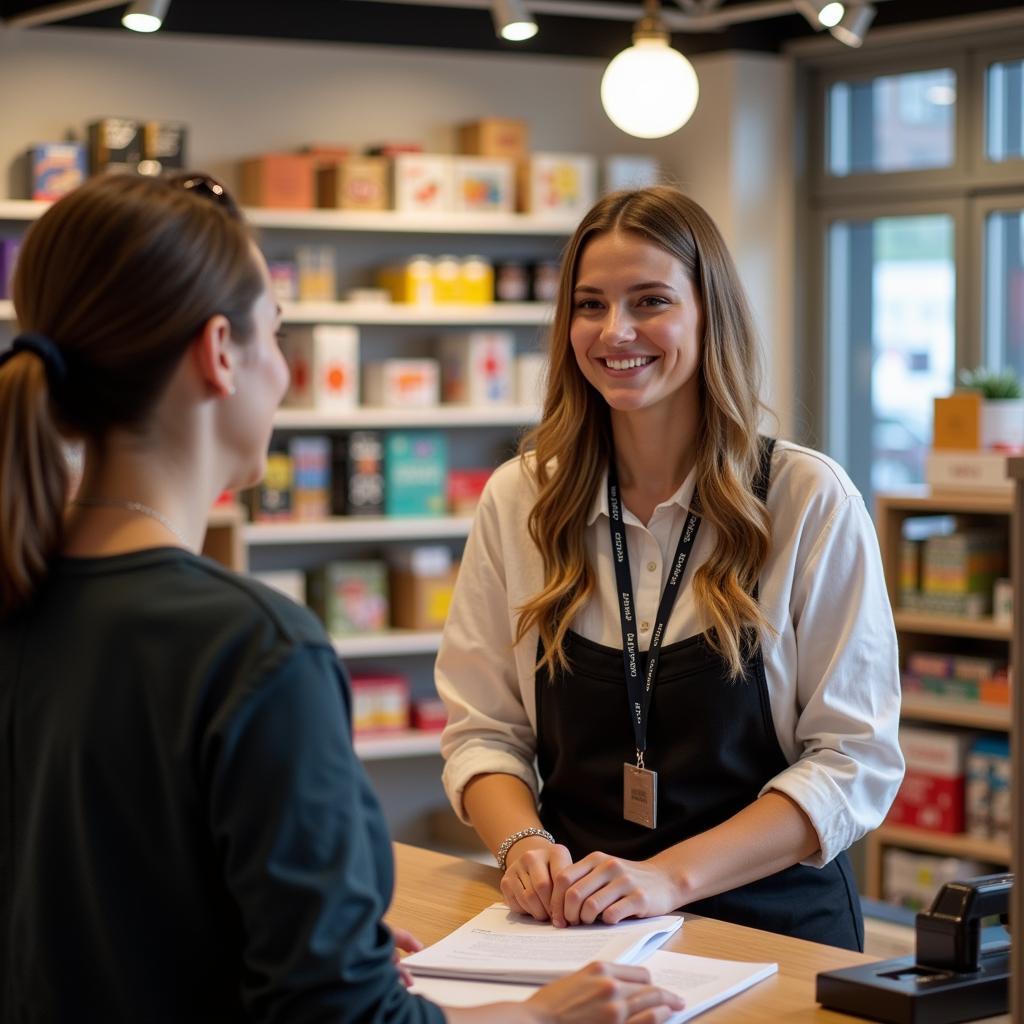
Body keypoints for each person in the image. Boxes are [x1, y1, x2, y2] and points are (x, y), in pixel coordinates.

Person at [0, 173, 686, 1024]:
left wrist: (304, 938)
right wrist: (540, 1017)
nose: (285, 372)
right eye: (278, 334)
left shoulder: (29, 590)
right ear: (221, 353)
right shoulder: (247, 650)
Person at [436, 185, 905, 952]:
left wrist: (666, 879)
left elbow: (855, 761)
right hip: (574, 928)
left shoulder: (806, 499)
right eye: (590, 305)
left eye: (649, 300)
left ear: (708, 312)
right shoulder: (521, 498)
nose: (615, 331)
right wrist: (522, 847)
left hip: (774, 931)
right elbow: (483, 731)